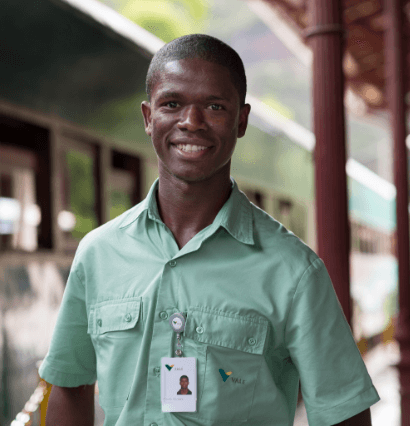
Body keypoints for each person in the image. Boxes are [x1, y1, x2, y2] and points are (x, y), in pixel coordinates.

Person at [40, 34, 380, 426]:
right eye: (172, 104)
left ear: (241, 120)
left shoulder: (295, 271)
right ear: (149, 118)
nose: (191, 122)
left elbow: (345, 414)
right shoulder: (97, 253)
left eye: (215, 106)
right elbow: (69, 385)